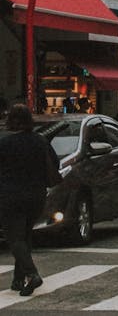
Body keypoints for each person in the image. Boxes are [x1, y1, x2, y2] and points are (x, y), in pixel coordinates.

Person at [0, 104, 59, 295]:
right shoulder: (40, 141)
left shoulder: (4, 142)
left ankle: (32, 274)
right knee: (25, 236)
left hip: (10, 195)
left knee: (15, 238)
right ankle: (18, 280)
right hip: (36, 195)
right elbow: (55, 164)